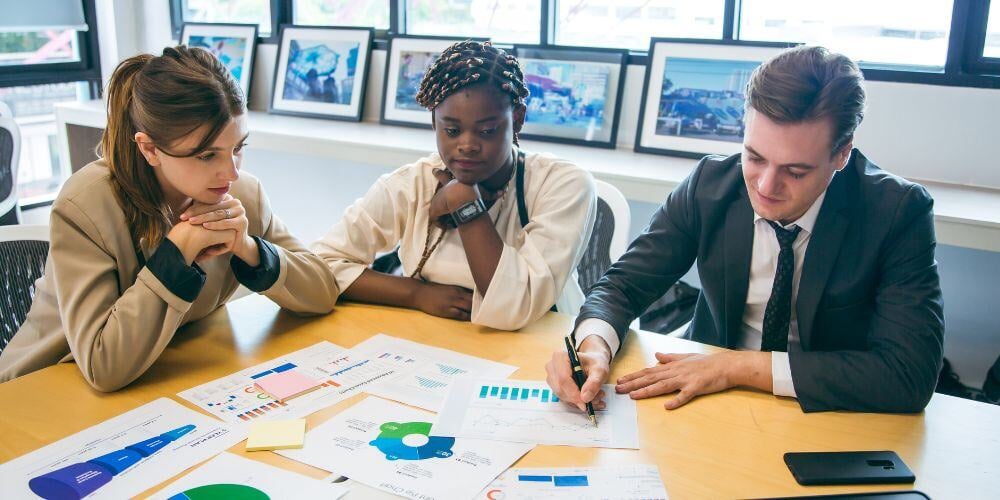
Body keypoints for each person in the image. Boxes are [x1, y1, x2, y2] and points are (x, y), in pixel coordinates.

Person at [546, 45, 944, 413]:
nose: (766, 187)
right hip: (709, 403)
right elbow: (623, 286)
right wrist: (593, 344)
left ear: (842, 153)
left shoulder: (896, 212)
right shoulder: (710, 184)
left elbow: (907, 375)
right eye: (754, 157)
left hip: (823, 407)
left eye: (796, 171)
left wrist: (737, 367)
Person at [0, 46, 339, 391]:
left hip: (156, 378)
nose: (231, 172)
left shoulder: (242, 195)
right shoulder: (85, 206)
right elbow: (103, 365)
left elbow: (323, 291)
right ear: (149, 149)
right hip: (40, 389)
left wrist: (249, 248)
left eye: (237, 148)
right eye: (207, 155)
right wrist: (177, 254)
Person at [313, 40, 596, 330]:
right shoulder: (411, 184)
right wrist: (416, 294)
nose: (467, 145)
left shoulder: (563, 184)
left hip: (539, 345)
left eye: (487, 131)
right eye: (452, 130)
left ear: (518, 119)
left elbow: (515, 307)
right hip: (436, 343)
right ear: (434, 121)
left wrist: (464, 203)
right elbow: (320, 266)